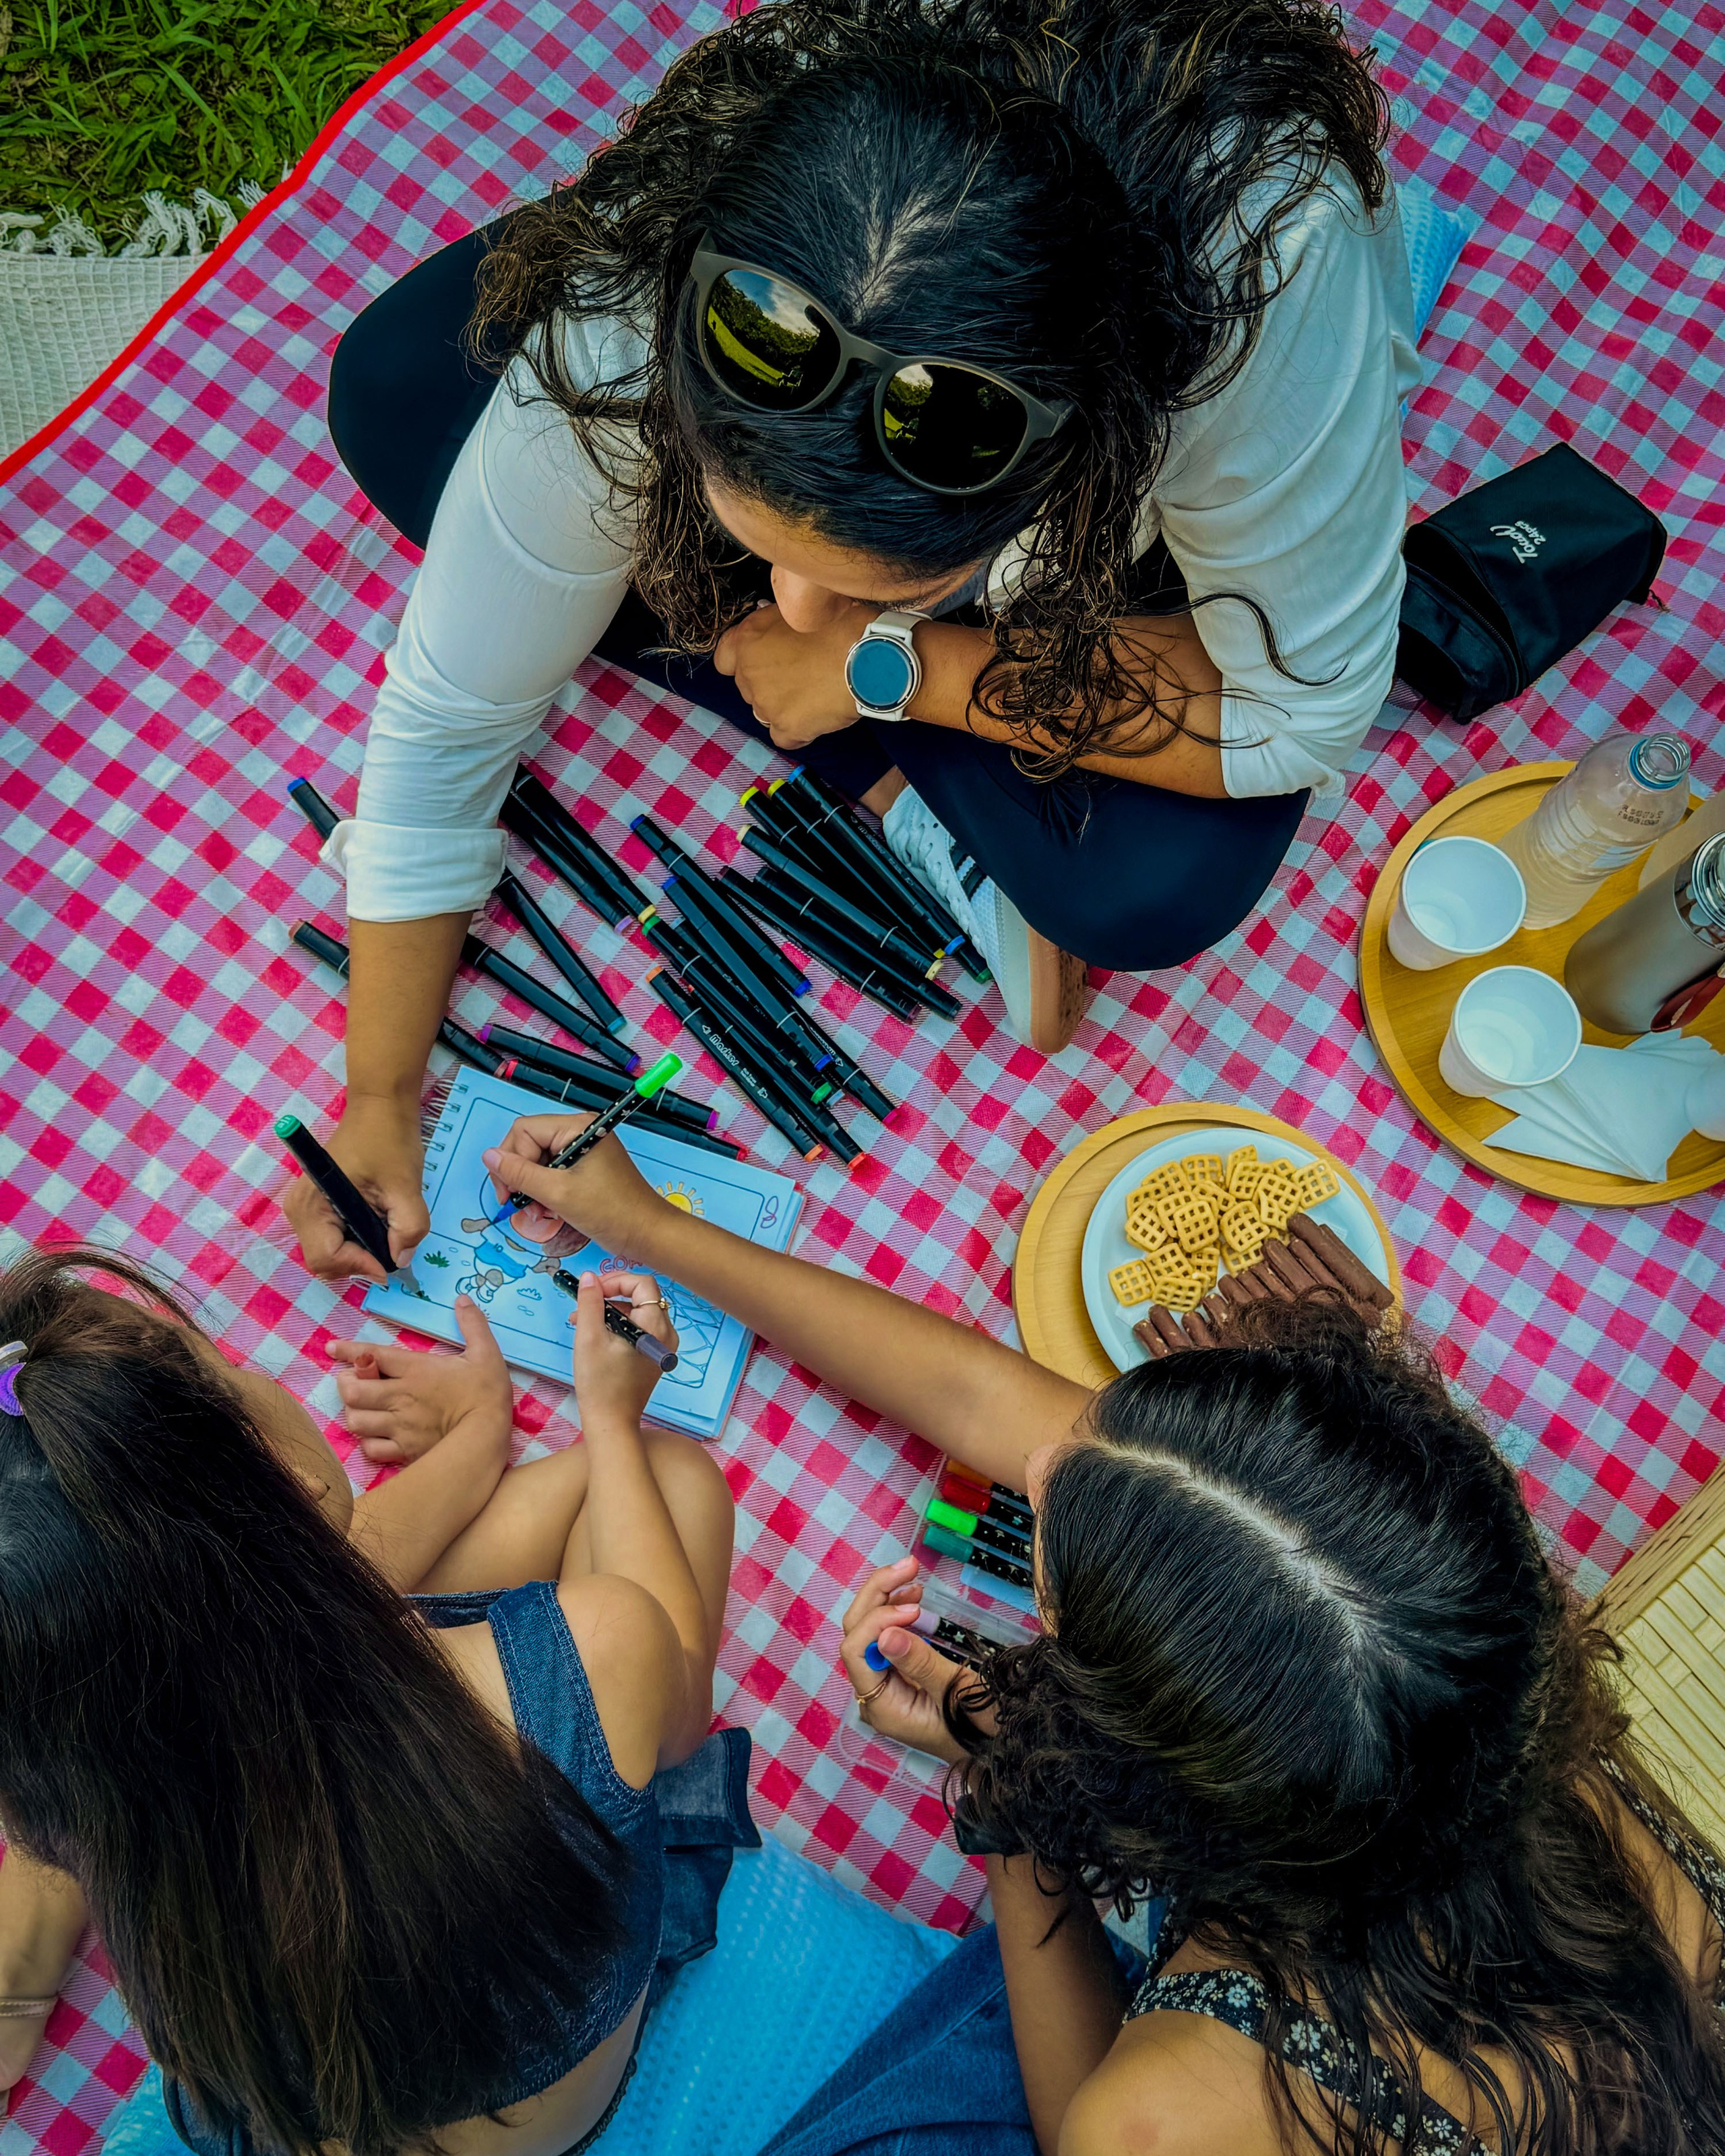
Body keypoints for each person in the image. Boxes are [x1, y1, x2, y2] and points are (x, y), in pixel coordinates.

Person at [289, 0, 1417, 1281]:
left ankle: (881, 722)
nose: (789, 605)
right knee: (401, 394)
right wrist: (380, 1097)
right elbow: (450, 712)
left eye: (876, 581)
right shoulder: (626, 308)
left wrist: (893, 668)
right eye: (752, 536)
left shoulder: (1265, 279)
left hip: (1132, 479)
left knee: (1155, 887)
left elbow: (1306, 709)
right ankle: (888, 754)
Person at [478, 1112, 1725, 2155]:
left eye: (1056, 1596)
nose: (1031, 1456)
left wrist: (1013, 1803)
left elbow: (1077, 2111)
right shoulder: (1484, 1659)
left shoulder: (1170, 2113)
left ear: (1144, 1783)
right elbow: (983, 1397)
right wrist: (657, 1230)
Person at [0, 1242, 747, 2153]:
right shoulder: (600, 1645)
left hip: (320, 2106)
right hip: (541, 2081)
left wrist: (479, 1433)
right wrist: (612, 1417)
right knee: (674, 1484)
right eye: (229, 1370)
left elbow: (295, 1582)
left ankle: (18, 1964)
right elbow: (672, 1707)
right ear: (287, 1477)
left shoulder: (80, 1786)